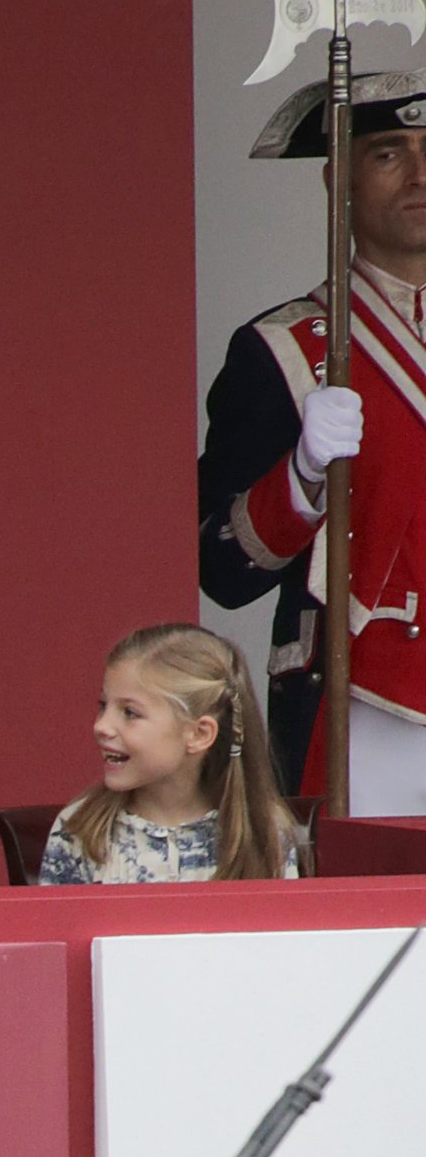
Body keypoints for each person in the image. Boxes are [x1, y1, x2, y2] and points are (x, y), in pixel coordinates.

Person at [199, 70, 426, 809]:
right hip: (362, 704)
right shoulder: (286, 349)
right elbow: (223, 569)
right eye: (390, 152)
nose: (421, 176)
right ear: (341, 179)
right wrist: (301, 475)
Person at [37, 623, 301, 886]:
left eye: (130, 713)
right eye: (103, 706)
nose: (101, 726)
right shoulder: (80, 829)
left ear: (199, 734)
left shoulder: (265, 832)